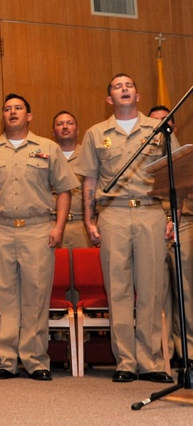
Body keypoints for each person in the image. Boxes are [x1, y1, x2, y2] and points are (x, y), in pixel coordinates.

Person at [0, 94, 76, 381]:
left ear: (29, 116)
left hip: (38, 228)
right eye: (7, 109)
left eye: (18, 108)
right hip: (0, 230)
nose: (12, 112)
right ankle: (7, 360)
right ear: (2, 115)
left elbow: (64, 189)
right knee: (3, 297)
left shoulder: (48, 148)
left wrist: (59, 227)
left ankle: (36, 359)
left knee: (36, 296)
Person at [78, 77, 172, 383]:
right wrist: (89, 220)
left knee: (151, 288)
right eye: (117, 86)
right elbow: (89, 180)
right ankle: (126, 362)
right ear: (110, 99)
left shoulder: (159, 130)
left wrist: (172, 216)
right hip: (114, 214)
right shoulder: (96, 133)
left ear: (138, 94)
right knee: (117, 289)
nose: (124, 88)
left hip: (150, 212)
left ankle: (151, 360)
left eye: (129, 84)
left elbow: (174, 173)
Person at [148, 105, 193, 368]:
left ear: (173, 128)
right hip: (153, 220)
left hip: (183, 223)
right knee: (158, 291)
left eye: (165, 122)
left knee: (184, 288)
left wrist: (173, 218)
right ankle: (165, 350)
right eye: (154, 123)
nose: (159, 126)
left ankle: (188, 349)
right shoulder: (143, 154)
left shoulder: (183, 156)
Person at [51, 111, 90, 250]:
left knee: (83, 270)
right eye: (60, 124)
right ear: (53, 132)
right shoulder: (47, 157)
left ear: (78, 130)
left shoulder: (88, 156)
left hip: (81, 227)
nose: (65, 127)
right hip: (51, 225)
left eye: (69, 123)